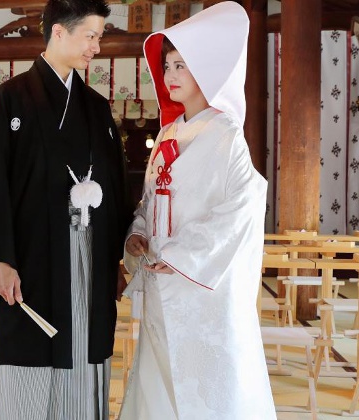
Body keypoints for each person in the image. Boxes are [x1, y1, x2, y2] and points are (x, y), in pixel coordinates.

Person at [0, 0, 131, 418]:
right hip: (30, 257)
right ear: (58, 32)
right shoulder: (11, 100)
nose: (96, 48)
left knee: (86, 342)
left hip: (88, 254)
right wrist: (0, 259)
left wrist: (116, 259)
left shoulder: (97, 107)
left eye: (99, 37)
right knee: (32, 346)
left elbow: (116, 188)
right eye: (91, 36)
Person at [118, 3, 276, 419]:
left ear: (205, 69)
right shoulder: (168, 133)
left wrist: (183, 254)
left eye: (181, 66)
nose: (169, 76)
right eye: (167, 66)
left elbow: (244, 204)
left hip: (200, 286)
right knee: (159, 377)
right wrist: (136, 232)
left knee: (205, 385)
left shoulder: (226, 136)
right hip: (161, 277)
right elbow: (151, 200)